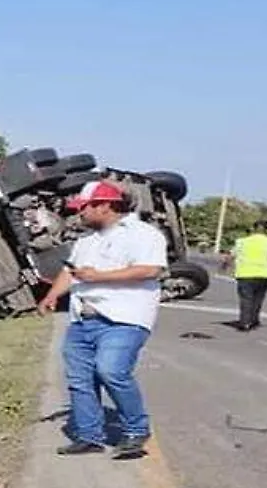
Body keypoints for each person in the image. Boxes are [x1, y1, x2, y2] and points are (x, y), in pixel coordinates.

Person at [37, 179, 169, 460]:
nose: (78, 214)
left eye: (83, 208)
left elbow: (150, 270)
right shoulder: (86, 241)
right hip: (82, 319)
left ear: (104, 205)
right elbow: (70, 272)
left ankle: (135, 429)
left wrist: (100, 277)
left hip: (123, 319)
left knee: (111, 371)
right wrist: (52, 295)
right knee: (80, 379)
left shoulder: (143, 234)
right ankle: (89, 436)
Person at [222, 219, 267, 331]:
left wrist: (224, 265)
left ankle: (245, 322)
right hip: (263, 275)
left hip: (245, 274)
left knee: (246, 299)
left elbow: (231, 256)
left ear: (254, 228)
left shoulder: (242, 241)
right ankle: (253, 320)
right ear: (266, 229)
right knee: (257, 300)